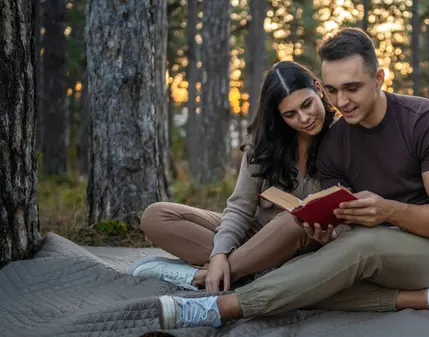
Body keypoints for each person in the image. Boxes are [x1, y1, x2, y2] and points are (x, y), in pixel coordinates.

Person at [155, 28, 429, 330]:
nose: (342, 102)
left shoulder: (426, 122)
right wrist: (327, 234)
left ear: (380, 78)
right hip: (376, 249)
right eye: (333, 90)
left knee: (347, 254)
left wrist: (388, 212)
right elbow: (339, 226)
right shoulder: (335, 142)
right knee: (312, 274)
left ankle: (220, 307)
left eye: (352, 88)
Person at [128, 61, 336, 292]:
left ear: (318, 89)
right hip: (253, 235)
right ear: (278, 116)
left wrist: (330, 236)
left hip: (299, 242)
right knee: (156, 216)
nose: (304, 118)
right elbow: (240, 208)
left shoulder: (344, 138)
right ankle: (244, 272)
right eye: (291, 114)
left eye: (307, 105)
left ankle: (198, 278)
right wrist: (219, 253)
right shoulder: (264, 144)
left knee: (292, 220)